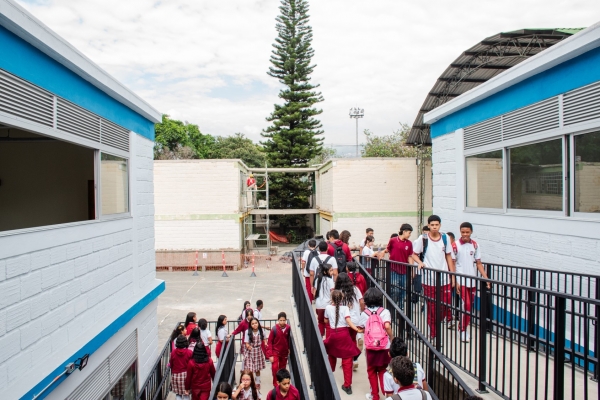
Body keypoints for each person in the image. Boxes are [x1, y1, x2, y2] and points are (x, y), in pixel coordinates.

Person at [412, 215, 455, 342]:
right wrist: (420, 262)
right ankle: (434, 333)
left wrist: (452, 276)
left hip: (444, 278)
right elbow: (414, 254)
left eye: (437, 224)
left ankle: (437, 324)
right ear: (429, 225)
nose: (435, 227)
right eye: (432, 225)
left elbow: (449, 257)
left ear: (440, 225)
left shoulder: (445, 238)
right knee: (431, 307)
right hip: (429, 279)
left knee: (445, 304)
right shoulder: (423, 238)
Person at [453, 222, 490, 343]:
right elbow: (452, 264)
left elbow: (479, 263)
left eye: (467, 232)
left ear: (471, 232)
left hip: (472, 281)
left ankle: (464, 328)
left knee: (470, 307)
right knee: (466, 306)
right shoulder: (455, 245)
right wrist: (455, 280)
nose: (465, 234)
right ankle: (462, 329)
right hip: (461, 280)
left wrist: (486, 278)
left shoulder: (475, 245)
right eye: (462, 232)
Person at [324, 290, 363, 395]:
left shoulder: (327, 308)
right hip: (344, 335)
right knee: (347, 360)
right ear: (342, 299)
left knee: (331, 354)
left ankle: (328, 375)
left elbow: (326, 321)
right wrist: (357, 329)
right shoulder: (345, 308)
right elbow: (349, 321)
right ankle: (347, 385)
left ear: (331, 299)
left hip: (333, 334)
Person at [360, 288, 394, 400]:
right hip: (384, 346)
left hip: (371, 346)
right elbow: (387, 326)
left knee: (371, 371)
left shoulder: (364, 313)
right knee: (383, 370)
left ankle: (375, 395)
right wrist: (392, 337)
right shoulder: (385, 312)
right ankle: (386, 393)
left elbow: (362, 328)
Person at [379, 224, 418, 310]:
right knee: (395, 289)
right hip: (393, 269)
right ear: (404, 232)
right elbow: (387, 249)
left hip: (404, 271)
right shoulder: (393, 240)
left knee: (403, 290)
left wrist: (412, 270)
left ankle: (400, 307)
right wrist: (382, 252)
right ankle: (392, 306)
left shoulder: (409, 243)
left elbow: (410, 256)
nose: (409, 235)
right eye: (409, 233)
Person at [335, 272, 365, 371]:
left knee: (345, 343)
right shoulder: (355, 289)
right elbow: (361, 302)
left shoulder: (338, 292)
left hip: (344, 321)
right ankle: (354, 359)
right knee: (353, 340)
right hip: (355, 320)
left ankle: (347, 361)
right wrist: (361, 311)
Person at [267, 312, 291, 387]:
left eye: (284, 320)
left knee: (282, 368)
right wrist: (270, 355)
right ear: (278, 320)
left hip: (284, 352)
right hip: (275, 351)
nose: (282, 322)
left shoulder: (288, 328)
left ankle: (281, 382)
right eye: (280, 320)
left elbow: (288, 339)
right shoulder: (274, 329)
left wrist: (288, 348)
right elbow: (269, 342)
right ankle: (275, 383)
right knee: (274, 368)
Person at [243, 317, 267, 390]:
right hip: (250, 352)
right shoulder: (248, 332)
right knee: (250, 369)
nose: (254, 325)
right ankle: (251, 382)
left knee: (257, 369)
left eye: (256, 323)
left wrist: (265, 343)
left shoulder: (261, 331)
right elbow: (246, 342)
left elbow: (265, 339)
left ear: (258, 323)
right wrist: (248, 346)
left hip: (258, 351)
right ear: (250, 325)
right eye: (252, 323)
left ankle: (257, 382)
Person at [170, 335, 193, 400]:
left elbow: (171, 364)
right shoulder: (189, 353)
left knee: (178, 394)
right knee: (186, 394)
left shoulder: (173, 353)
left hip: (176, 375)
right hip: (186, 375)